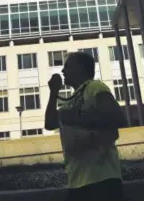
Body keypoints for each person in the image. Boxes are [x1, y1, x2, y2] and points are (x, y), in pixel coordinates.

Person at [45, 52, 126, 201]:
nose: (63, 71)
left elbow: (117, 117)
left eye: (67, 67)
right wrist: (53, 92)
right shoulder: (71, 101)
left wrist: (75, 118)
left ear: (81, 68)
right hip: (77, 182)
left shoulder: (94, 87)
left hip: (102, 181)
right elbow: (50, 123)